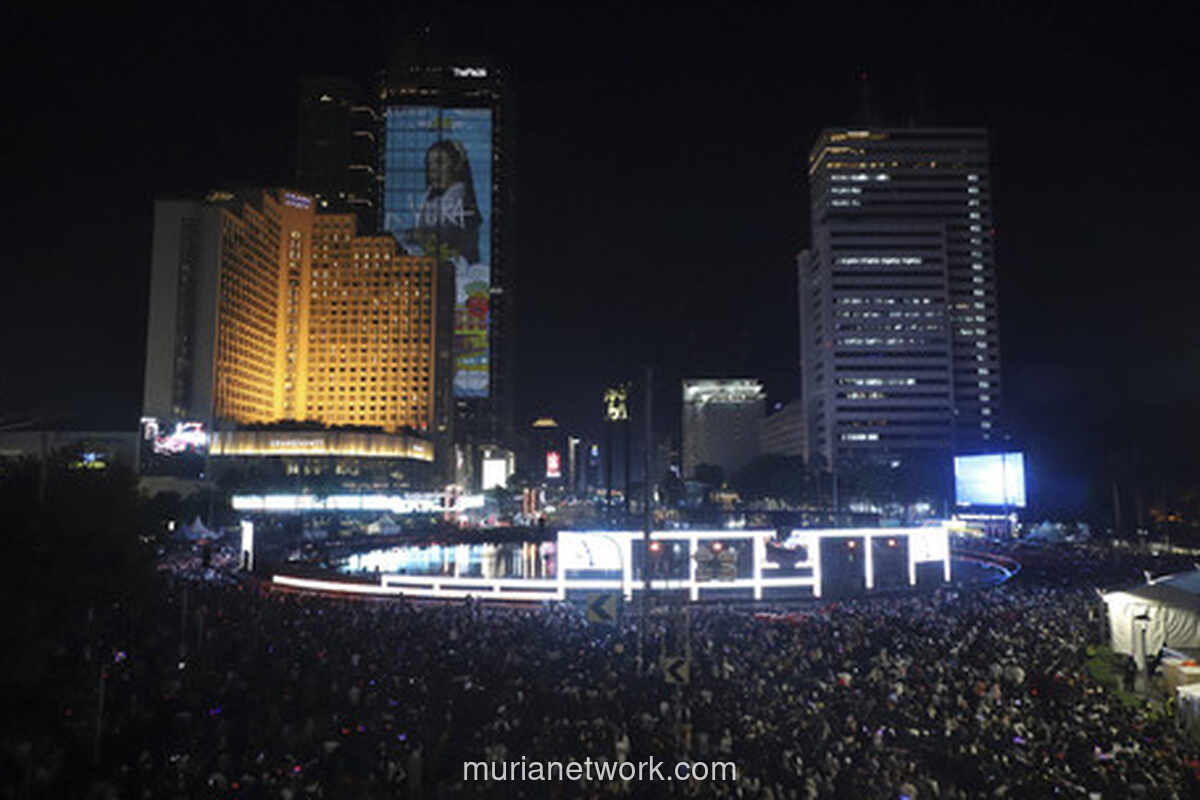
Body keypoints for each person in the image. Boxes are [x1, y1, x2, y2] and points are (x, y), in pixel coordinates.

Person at [408, 139, 481, 263]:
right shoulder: (430, 200)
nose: (433, 169)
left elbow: (448, 236)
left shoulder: (463, 202)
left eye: (439, 162)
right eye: (429, 164)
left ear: (456, 166)